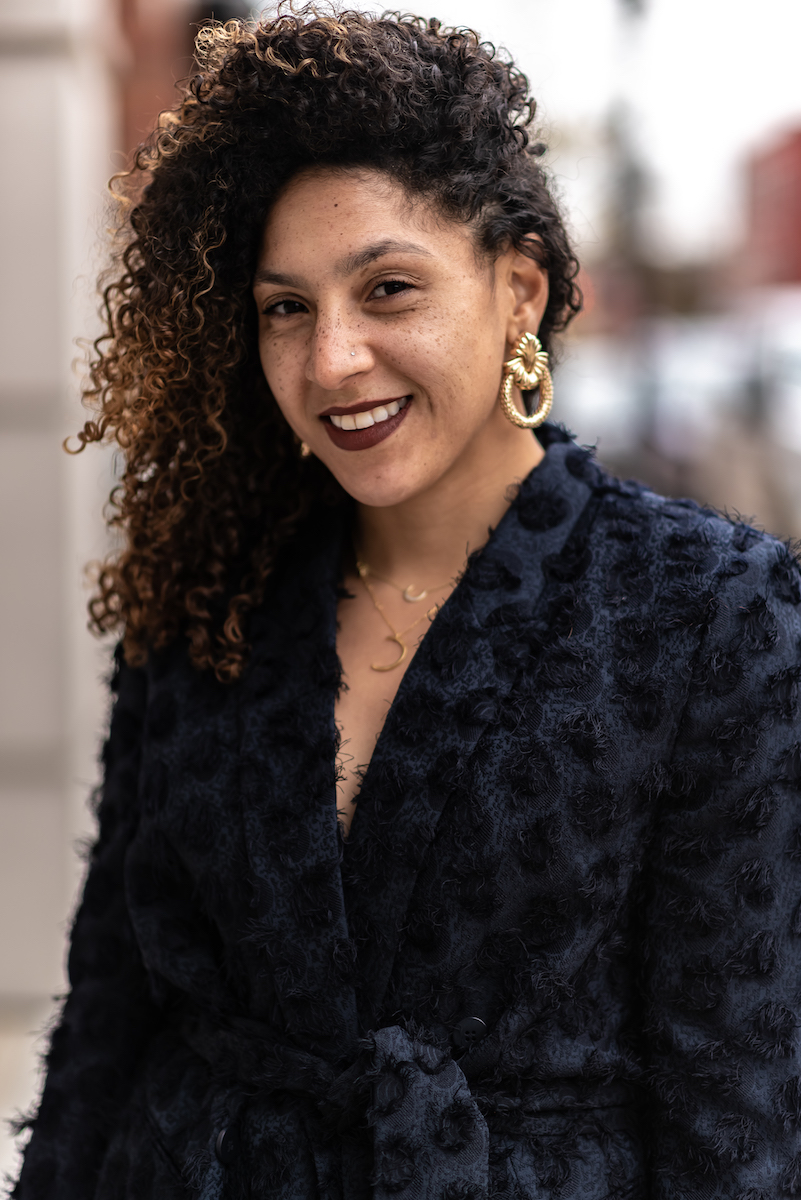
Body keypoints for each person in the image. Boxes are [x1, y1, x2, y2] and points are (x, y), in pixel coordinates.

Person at [11, 8, 801, 1199]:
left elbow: (740, 1119)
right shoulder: (211, 598)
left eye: (387, 289)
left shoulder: (715, 615)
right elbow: (108, 1021)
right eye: (285, 307)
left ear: (520, 290)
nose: (331, 359)